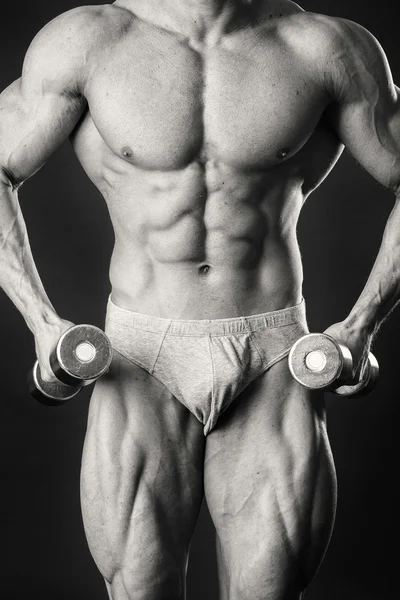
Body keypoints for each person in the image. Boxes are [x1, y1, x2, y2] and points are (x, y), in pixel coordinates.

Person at [0, 0, 399, 598]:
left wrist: (363, 323)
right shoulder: (87, 41)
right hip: (139, 356)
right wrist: (41, 320)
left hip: (273, 357)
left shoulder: (324, 48)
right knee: (139, 589)